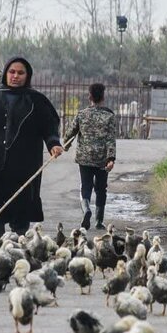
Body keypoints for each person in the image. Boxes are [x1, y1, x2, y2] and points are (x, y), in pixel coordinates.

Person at [0, 57, 63, 239]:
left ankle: (19, 248)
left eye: (20, 73)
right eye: (12, 72)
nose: (15, 76)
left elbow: (50, 127)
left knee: (20, 212)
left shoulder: (37, 101)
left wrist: (54, 144)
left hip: (23, 168)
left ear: (27, 75)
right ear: (6, 73)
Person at [64, 83, 116, 230]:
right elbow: (111, 139)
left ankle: (86, 209)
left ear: (90, 97)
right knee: (101, 189)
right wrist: (111, 159)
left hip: (84, 158)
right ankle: (99, 221)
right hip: (102, 160)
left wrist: (65, 146)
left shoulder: (82, 114)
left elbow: (70, 133)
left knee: (85, 187)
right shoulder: (109, 116)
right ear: (103, 97)